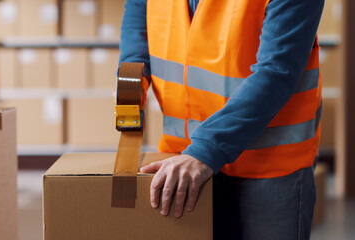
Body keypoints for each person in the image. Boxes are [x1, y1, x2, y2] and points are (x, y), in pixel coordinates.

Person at [118, 0, 324, 239]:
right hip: (183, 160)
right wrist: (131, 81)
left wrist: (205, 150)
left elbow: (277, 70)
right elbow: (138, 13)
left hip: (267, 168)